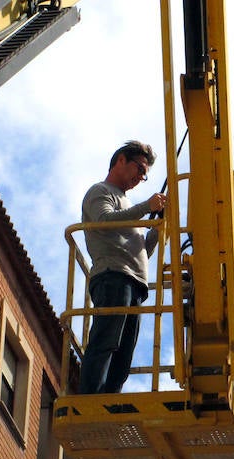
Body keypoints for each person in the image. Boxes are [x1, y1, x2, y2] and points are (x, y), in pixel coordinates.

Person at [78, 140, 167, 394]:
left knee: (124, 354)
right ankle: (90, 398)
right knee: (107, 341)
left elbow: (141, 251)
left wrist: (161, 229)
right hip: (113, 276)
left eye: (145, 175)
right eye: (139, 169)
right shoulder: (100, 191)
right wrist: (146, 208)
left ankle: (109, 400)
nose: (141, 177)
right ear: (120, 161)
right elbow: (104, 220)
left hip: (135, 282)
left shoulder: (129, 206)